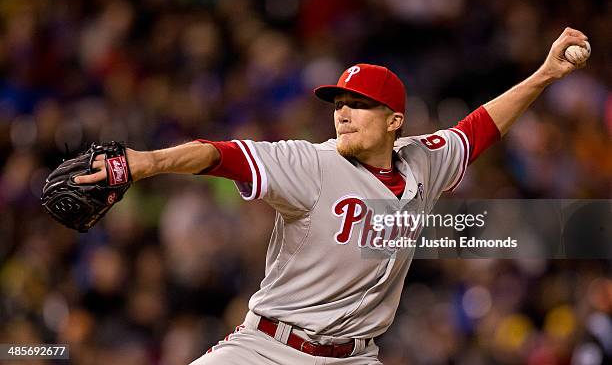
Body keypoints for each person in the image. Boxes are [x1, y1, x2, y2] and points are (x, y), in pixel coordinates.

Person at [75, 27, 589, 364]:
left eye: (359, 104)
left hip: (353, 357)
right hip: (268, 349)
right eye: (338, 102)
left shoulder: (423, 161)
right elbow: (220, 153)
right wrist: (146, 162)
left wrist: (545, 74)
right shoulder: (312, 163)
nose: (342, 112)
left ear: (394, 120)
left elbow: (478, 130)